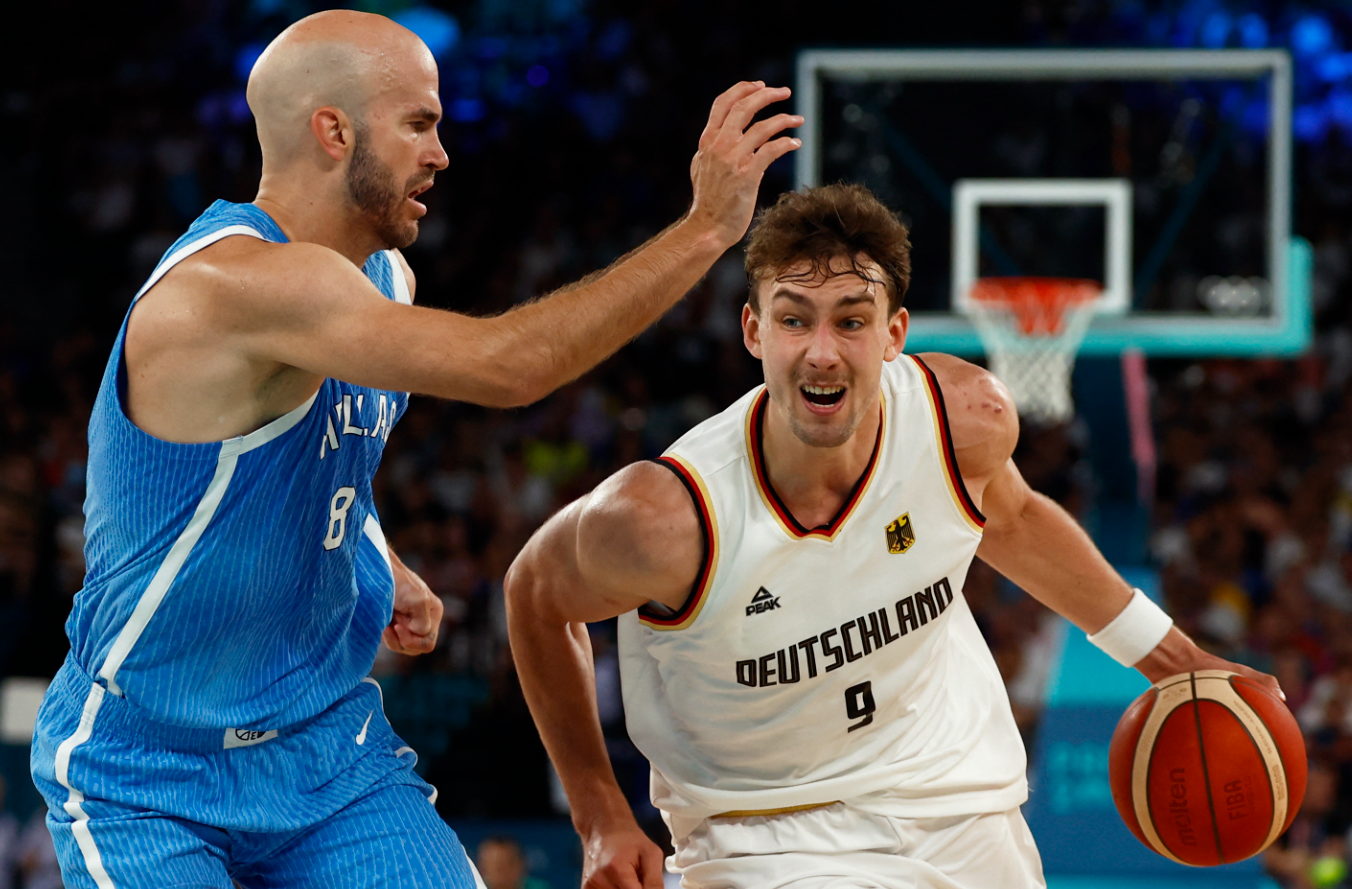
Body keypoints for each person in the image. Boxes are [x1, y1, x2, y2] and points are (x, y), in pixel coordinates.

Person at [30, 9, 801, 888]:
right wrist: (705, 228)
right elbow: (512, 367)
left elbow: (306, 455)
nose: (441, 153)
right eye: (420, 124)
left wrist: (376, 552)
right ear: (334, 131)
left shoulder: (380, 278)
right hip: (148, 771)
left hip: (325, 751)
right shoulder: (229, 289)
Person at [503, 184, 1283, 889]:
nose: (821, 350)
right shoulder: (664, 518)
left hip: (963, 808)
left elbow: (1009, 518)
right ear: (754, 331)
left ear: (893, 332)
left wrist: (1178, 661)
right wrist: (599, 811)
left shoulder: (961, 423)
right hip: (768, 837)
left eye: (851, 320)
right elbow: (534, 595)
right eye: (793, 319)